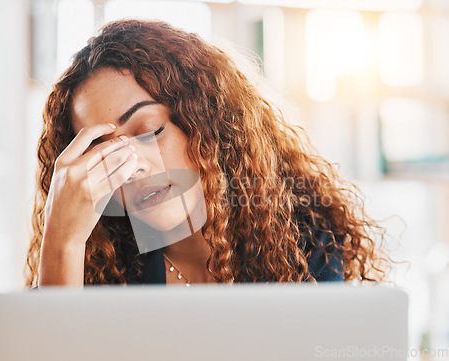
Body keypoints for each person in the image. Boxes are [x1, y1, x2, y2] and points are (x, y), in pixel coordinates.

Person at [25, 19, 390, 288]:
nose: (130, 168)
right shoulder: (105, 265)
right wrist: (63, 242)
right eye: (102, 157)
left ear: (211, 126)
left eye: (150, 132)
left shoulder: (305, 243)